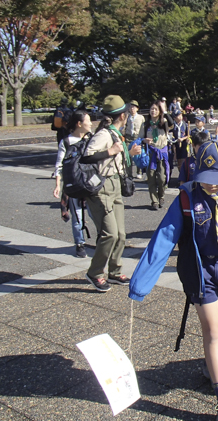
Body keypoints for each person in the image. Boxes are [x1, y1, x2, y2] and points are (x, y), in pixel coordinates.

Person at [129, 140, 218, 421]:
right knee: (214, 330)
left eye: (217, 180)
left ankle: (211, 365)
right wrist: (140, 284)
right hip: (200, 271)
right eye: (205, 180)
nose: (211, 186)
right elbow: (163, 239)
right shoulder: (186, 198)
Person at [80, 95, 141, 292]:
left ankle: (114, 271)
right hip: (103, 188)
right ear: (122, 116)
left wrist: (128, 154)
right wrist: (110, 152)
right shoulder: (105, 135)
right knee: (109, 234)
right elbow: (86, 156)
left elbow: (117, 159)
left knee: (121, 234)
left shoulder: (116, 134)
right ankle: (95, 272)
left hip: (115, 186)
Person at [53, 110, 93, 258]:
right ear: (79, 123)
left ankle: (104, 240)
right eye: (88, 120)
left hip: (89, 182)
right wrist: (58, 185)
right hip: (73, 183)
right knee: (77, 216)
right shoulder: (66, 141)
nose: (90, 123)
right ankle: (80, 243)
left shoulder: (92, 138)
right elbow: (59, 165)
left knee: (95, 212)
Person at [145, 101, 174, 210]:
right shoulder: (146, 124)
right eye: (152, 109)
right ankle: (154, 201)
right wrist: (144, 140)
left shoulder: (164, 122)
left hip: (162, 152)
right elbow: (140, 138)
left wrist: (165, 111)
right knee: (151, 178)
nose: (153, 111)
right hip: (151, 152)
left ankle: (161, 196)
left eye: (156, 109)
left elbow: (172, 124)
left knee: (162, 178)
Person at [124, 100, 145, 180]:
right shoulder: (127, 117)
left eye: (134, 107)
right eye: (130, 107)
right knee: (128, 154)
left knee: (137, 154)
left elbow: (143, 128)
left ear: (137, 108)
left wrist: (142, 138)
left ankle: (139, 172)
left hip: (137, 137)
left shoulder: (141, 117)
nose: (132, 109)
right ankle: (129, 173)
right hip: (128, 137)